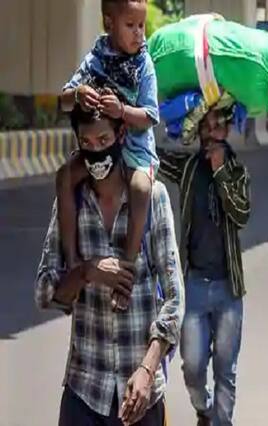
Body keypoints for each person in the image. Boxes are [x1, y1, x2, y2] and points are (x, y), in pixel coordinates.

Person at [35, 104, 184, 426]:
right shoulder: (71, 204)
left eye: (103, 140)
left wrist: (147, 370)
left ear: (121, 135)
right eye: (86, 143)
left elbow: (174, 299)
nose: (96, 152)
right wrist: (87, 271)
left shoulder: (153, 198)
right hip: (84, 391)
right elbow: (45, 290)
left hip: (140, 396)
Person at [58, 0, 159, 310]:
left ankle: (126, 271)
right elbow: (63, 101)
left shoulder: (143, 64)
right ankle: (72, 260)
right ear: (109, 24)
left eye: (141, 26)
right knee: (65, 176)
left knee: (141, 189)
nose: (139, 33)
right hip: (98, 149)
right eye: (131, 26)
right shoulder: (96, 58)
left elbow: (150, 116)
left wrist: (123, 111)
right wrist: (78, 94)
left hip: (135, 151)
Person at [157, 108, 251, 426]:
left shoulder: (238, 171)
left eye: (218, 126)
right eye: (206, 127)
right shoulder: (188, 167)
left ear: (228, 130)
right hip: (194, 286)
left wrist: (220, 171)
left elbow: (241, 214)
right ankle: (204, 409)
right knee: (193, 366)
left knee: (226, 369)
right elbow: (155, 158)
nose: (211, 133)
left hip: (228, 289)